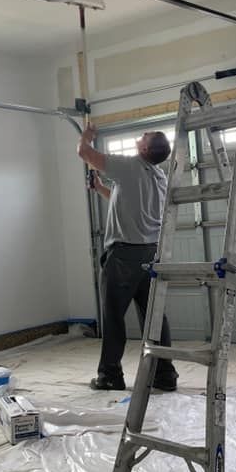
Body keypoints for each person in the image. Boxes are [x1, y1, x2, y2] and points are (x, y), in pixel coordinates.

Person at [77, 125, 177, 392]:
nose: (141, 135)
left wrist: (87, 137)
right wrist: (100, 188)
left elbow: (84, 152)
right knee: (154, 315)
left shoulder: (130, 165)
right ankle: (165, 375)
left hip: (124, 257)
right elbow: (126, 202)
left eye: (145, 136)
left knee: (113, 316)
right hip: (151, 254)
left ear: (144, 149)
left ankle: (110, 375)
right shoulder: (158, 175)